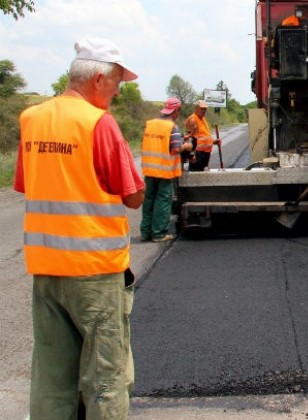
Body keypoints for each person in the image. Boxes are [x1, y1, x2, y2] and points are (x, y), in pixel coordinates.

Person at [13, 37, 145, 419]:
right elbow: (134, 195)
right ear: (99, 78)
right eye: (118, 82)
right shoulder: (98, 123)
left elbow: (27, 184)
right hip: (95, 272)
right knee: (106, 377)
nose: (118, 92)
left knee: (53, 377)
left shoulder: (31, 118)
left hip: (46, 271)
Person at [140, 97, 193, 242]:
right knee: (163, 201)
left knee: (149, 199)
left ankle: (145, 232)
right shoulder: (172, 127)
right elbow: (176, 148)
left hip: (149, 170)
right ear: (176, 110)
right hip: (164, 170)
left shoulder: (149, 125)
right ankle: (158, 234)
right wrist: (186, 146)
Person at [184, 100, 219, 171]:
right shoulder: (193, 120)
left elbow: (203, 136)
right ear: (196, 108)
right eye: (202, 108)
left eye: (205, 109)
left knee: (202, 174)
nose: (203, 110)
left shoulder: (203, 119)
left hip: (205, 153)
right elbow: (190, 139)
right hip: (197, 154)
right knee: (195, 176)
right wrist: (191, 155)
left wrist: (214, 142)